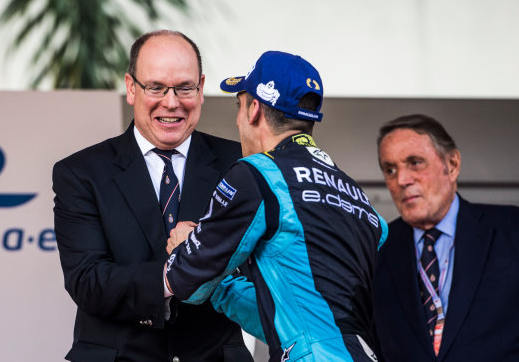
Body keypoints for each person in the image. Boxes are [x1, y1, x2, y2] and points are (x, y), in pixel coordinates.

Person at [163, 51, 388, 362]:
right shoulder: (359, 200)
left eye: (238, 106)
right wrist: (224, 288)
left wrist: (184, 248)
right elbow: (285, 320)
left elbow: (187, 281)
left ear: (254, 109)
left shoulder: (257, 174)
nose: (239, 119)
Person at [52, 30, 253, 362]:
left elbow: (265, 272)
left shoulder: (242, 166)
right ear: (131, 88)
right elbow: (88, 281)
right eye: (156, 87)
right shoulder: (80, 173)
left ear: (201, 88)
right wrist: (182, 272)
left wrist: (211, 254)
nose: (171, 102)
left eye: (185, 87)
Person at [373, 114, 519, 362]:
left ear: (452, 165)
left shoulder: (511, 229)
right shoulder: (377, 250)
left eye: (415, 163)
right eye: (390, 169)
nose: (401, 180)